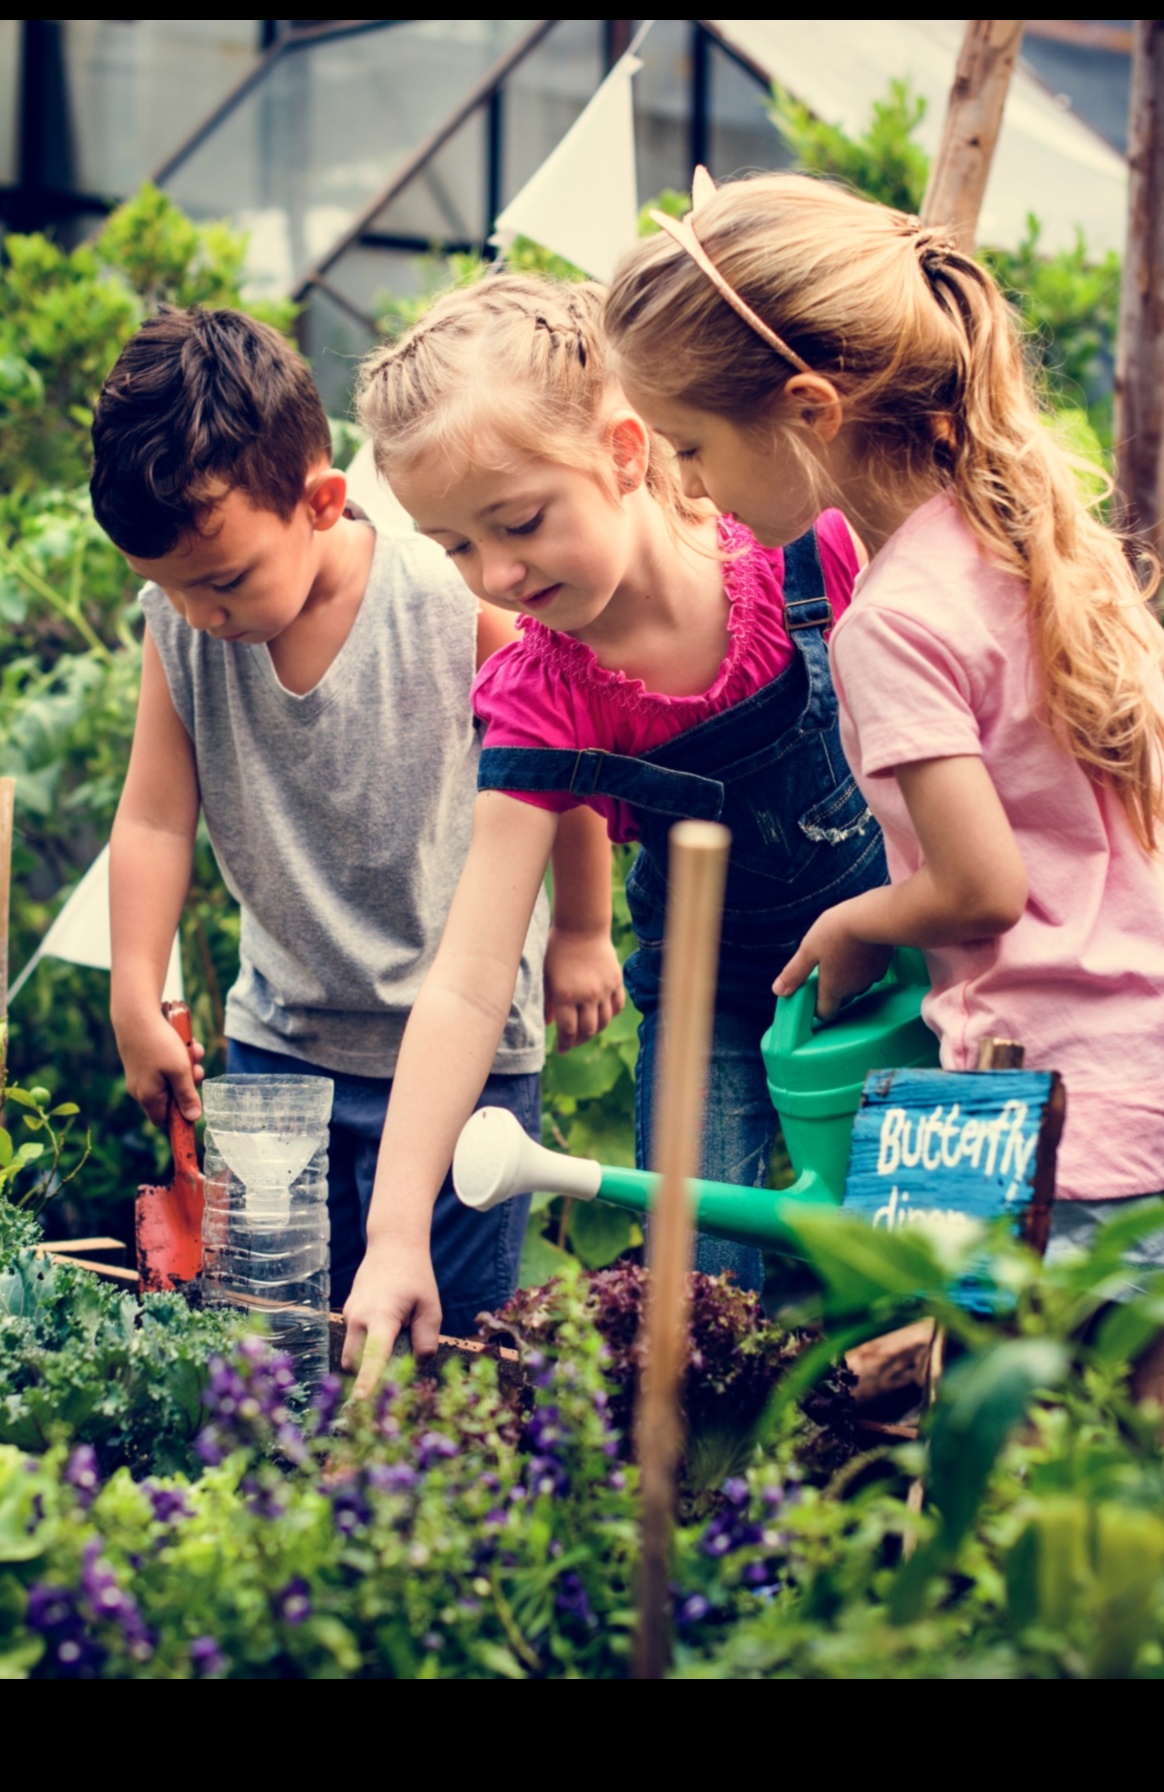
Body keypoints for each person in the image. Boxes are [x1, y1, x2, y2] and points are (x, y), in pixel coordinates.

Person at [604, 175, 1164, 1445]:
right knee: (1146, 1425)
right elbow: (1162, 680)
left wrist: (863, 916)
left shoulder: (895, 621)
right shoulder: (1025, 526)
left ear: (809, 409)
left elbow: (977, 887)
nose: (691, 489)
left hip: (1072, 1113)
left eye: (691, 445)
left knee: (1025, 1445)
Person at [346, 272, 883, 1381]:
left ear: (628, 451)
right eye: (452, 546)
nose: (496, 575)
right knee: (706, 1297)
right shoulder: (545, 689)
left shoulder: (807, 552)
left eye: (521, 521)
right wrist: (397, 1228)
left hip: (912, 962)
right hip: (715, 1000)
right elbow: (470, 972)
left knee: (921, 1268)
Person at [94, 307, 616, 1361]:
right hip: (278, 1045)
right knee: (270, 1346)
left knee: (445, 1352)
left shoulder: (448, 601)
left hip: (465, 1050)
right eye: (169, 586)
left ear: (322, 502)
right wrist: (132, 986)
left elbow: (563, 756)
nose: (198, 611)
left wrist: (582, 932)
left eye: (225, 579)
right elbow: (153, 817)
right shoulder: (183, 632)